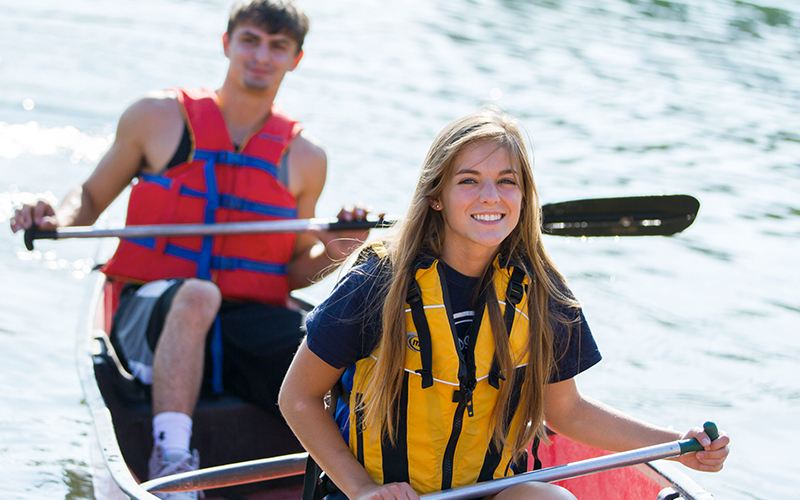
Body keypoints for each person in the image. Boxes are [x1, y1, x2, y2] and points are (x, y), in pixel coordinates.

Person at [10, 1, 369, 498]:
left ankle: (358, 475)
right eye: (250, 40)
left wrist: (339, 249)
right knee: (197, 294)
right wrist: (56, 216)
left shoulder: (306, 158)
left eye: (278, 46)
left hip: (244, 320)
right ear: (227, 44)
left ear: (296, 59)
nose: (261, 56)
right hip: (151, 311)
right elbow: (89, 200)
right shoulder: (156, 118)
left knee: (337, 349)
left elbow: (286, 276)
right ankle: (172, 462)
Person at [278, 109, 731, 500]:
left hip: (486, 491)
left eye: (506, 182)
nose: (490, 196)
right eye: (469, 181)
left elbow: (565, 410)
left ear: (523, 197)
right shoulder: (378, 281)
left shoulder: (542, 291)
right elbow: (298, 396)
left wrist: (674, 443)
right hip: (387, 492)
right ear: (436, 197)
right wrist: (361, 489)